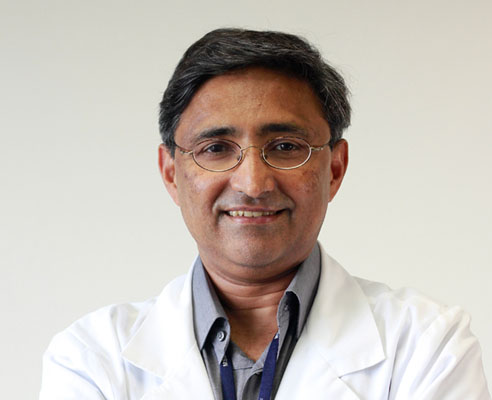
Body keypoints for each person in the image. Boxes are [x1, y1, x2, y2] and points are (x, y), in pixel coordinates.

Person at [40, 28, 490, 400]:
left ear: (335, 169)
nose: (253, 184)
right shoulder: (90, 358)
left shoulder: (429, 346)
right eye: (216, 148)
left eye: (286, 147)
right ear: (171, 173)